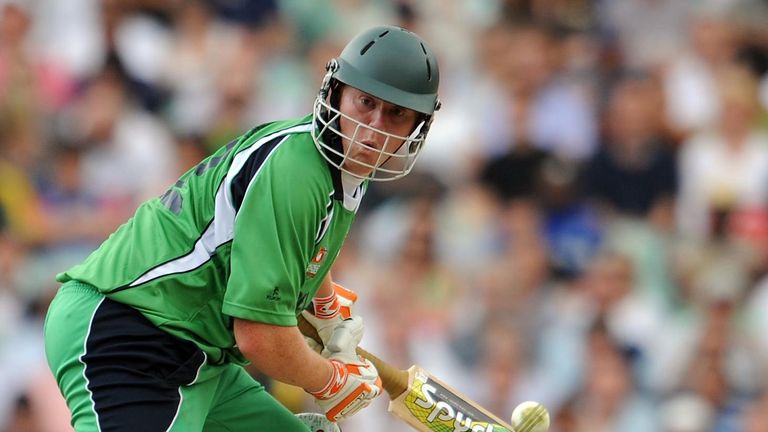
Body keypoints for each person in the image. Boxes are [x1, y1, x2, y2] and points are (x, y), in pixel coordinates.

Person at [43, 25, 440, 431]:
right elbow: (259, 335)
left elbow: (298, 246)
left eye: (396, 114)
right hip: (131, 332)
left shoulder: (338, 165)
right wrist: (330, 379)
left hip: (194, 352)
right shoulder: (297, 172)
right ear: (336, 91)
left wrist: (325, 307)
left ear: (417, 127)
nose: (374, 128)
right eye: (366, 102)